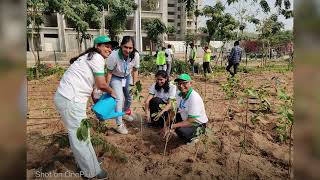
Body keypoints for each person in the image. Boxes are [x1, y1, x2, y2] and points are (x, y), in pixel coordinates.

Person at [54, 35, 118, 179]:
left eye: (111, 47)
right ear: (97, 46)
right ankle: (91, 172)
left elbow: (95, 92)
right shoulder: (96, 57)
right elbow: (102, 85)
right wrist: (112, 92)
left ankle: (90, 164)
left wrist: (100, 110)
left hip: (69, 99)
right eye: (106, 45)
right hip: (71, 99)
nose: (109, 49)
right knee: (80, 137)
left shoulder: (90, 58)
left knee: (82, 135)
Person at [106, 36, 140, 134]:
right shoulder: (114, 55)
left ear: (133, 48)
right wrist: (107, 87)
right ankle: (119, 125)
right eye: (125, 47)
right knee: (119, 99)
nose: (128, 50)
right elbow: (109, 73)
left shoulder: (136, 55)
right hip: (115, 77)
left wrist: (134, 85)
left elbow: (135, 70)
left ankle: (124, 113)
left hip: (127, 76)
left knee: (129, 97)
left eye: (130, 48)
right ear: (121, 46)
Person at [166, 74, 208, 143]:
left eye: (184, 83)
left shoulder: (194, 98)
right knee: (168, 116)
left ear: (190, 83)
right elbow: (173, 111)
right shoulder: (178, 93)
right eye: (179, 84)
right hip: (185, 118)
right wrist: (166, 125)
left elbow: (191, 121)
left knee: (181, 131)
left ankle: (197, 136)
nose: (181, 86)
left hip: (197, 124)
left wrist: (172, 126)